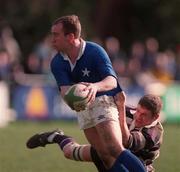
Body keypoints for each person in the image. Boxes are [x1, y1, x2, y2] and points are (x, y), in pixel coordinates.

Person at [27, 15, 146, 172]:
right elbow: (64, 92)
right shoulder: (57, 62)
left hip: (104, 99)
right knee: (104, 155)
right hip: (82, 107)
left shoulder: (94, 51)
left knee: (114, 148)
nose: (52, 39)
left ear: (70, 37)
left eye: (56, 35)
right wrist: (73, 99)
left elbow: (112, 81)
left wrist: (94, 87)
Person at [27, 94, 163, 172]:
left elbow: (126, 142)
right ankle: (56, 136)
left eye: (144, 115)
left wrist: (121, 108)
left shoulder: (154, 133)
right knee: (70, 152)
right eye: (138, 111)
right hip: (108, 152)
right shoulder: (128, 112)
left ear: (155, 117)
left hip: (136, 167)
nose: (138, 116)